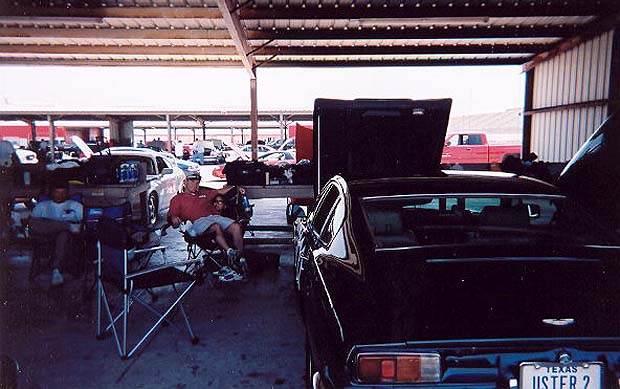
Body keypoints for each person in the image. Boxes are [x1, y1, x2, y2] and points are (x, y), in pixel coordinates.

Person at [167, 173, 246, 277]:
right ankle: (229, 252)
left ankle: (239, 257)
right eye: (193, 182)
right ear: (185, 182)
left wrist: (236, 187)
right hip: (198, 221)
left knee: (236, 226)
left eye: (197, 183)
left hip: (214, 217)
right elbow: (172, 215)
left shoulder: (204, 193)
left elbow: (221, 191)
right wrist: (173, 218)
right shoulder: (178, 199)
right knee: (215, 226)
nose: (196, 185)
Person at [30, 181, 83, 286]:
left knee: (63, 234)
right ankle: (67, 226)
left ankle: (56, 271)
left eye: (63, 192)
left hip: (67, 238)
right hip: (44, 236)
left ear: (67, 193)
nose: (60, 195)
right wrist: (62, 224)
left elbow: (81, 223)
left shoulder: (75, 205)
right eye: (57, 192)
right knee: (36, 222)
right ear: (52, 193)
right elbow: (33, 224)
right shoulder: (42, 205)